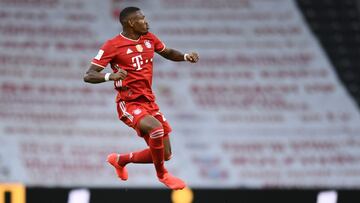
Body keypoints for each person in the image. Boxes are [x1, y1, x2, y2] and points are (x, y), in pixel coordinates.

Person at [83, 7, 199, 190]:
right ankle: (162, 175)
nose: (146, 22)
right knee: (156, 129)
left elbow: (167, 52)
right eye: (141, 19)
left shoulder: (149, 39)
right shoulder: (112, 45)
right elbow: (89, 75)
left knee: (166, 154)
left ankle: (120, 160)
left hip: (149, 102)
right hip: (128, 103)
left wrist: (185, 56)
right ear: (131, 23)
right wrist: (109, 76)